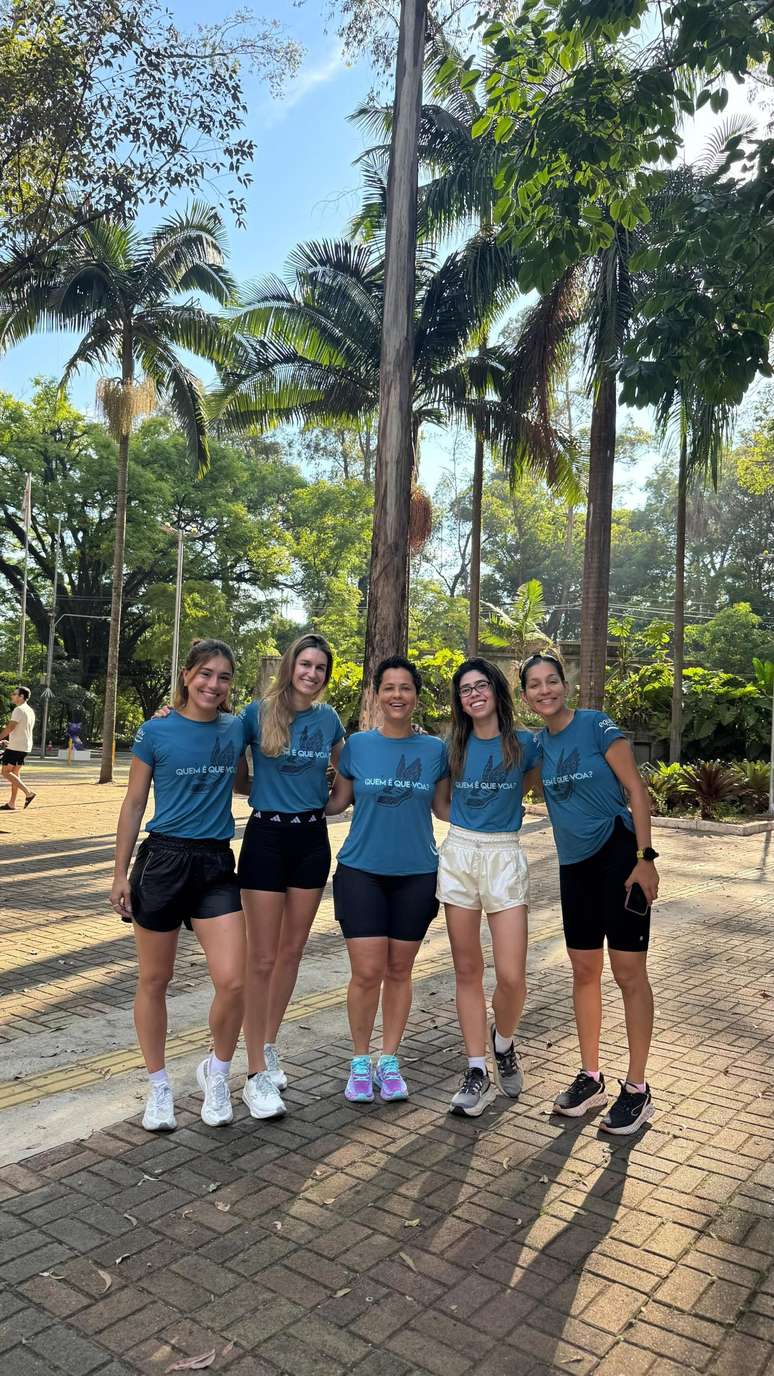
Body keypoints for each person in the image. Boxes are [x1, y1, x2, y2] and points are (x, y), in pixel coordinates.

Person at [110, 639, 247, 1134]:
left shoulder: (238, 728)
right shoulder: (155, 731)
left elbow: (257, 764)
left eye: (224, 677)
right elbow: (132, 804)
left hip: (214, 864)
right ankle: (159, 1086)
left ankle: (218, 1072)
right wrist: (119, 871)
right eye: (205, 674)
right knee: (154, 980)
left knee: (233, 980)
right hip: (163, 861)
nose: (213, 684)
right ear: (187, 675)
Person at [520, 651, 660, 1135]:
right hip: (573, 867)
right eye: (534, 685)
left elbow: (636, 791)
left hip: (621, 859)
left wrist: (646, 858)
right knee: (584, 970)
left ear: (565, 684)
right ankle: (591, 1076)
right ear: (525, 696)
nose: (545, 690)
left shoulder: (598, 726)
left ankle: (638, 1089)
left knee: (627, 972)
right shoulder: (537, 746)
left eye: (552, 681)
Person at [325, 656, 449, 1103]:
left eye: (406, 688)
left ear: (416, 696)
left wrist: (499, 812)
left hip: (417, 874)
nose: (397, 695)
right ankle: (360, 1062)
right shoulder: (357, 746)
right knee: (367, 971)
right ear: (376, 694)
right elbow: (337, 801)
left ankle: (389, 1060)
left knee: (400, 970)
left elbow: (444, 809)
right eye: (389, 687)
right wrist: (283, 784)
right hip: (361, 872)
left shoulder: (435, 751)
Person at [238, 634, 345, 1119]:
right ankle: (254, 1071)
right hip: (265, 838)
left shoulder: (328, 718)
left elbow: (348, 770)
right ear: (291, 665)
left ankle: (269, 1043)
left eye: (321, 668)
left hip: (310, 839)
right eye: (306, 664)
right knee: (260, 958)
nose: (313, 673)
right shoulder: (256, 713)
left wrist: (333, 802)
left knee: (291, 952)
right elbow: (226, 759)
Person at [435, 658, 540, 1117]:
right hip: (460, 853)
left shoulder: (524, 745)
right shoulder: (452, 746)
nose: (473, 694)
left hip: (503, 854)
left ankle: (503, 1041)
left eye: (481, 686)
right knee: (467, 969)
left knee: (513, 976)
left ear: (497, 692)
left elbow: (533, 786)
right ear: (459, 701)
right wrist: (464, 827)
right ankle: (476, 1067)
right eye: (465, 690)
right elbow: (440, 802)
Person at [0, 687, 36, 811]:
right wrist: (9, 741)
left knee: (5, 772)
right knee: (15, 774)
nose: (12, 696)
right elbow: (22, 730)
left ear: (21, 696)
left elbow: (10, 728)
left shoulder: (18, 709)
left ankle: (28, 793)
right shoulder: (30, 710)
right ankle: (12, 803)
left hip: (16, 747)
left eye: (15, 694)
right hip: (24, 746)